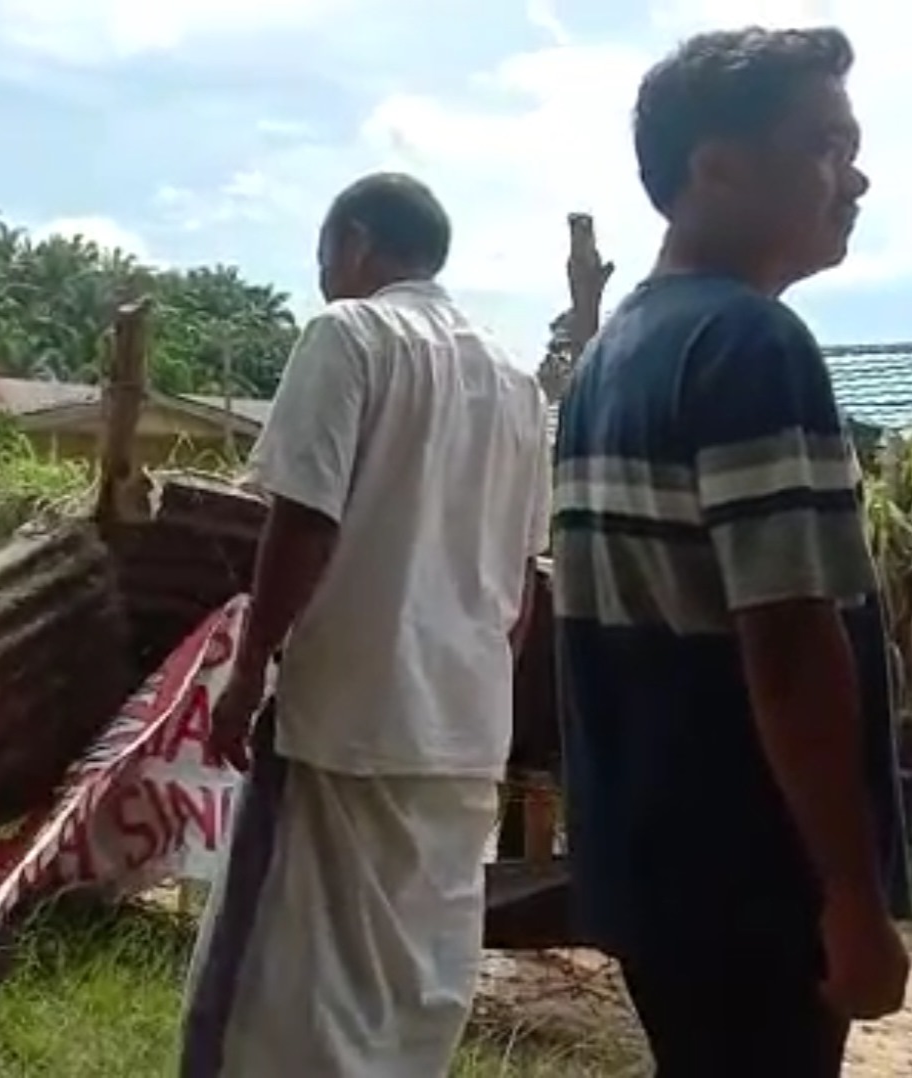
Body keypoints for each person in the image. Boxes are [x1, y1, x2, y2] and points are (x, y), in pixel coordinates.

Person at [553, 26, 910, 1077]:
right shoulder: (750, 344)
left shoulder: (613, 355)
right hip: (752, 880)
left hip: (653, 872)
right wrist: (849, 893)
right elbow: (790, 639)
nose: (855, 176)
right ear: (716, 165)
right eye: (824, 145)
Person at [183, 173, 551, 1076]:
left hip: (345, 726)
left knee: (281, 982)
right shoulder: (516, 385)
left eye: (320, 258)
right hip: (463, 738)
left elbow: (304, 520)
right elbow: (522, 587)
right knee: (412, 986)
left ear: (353, 242)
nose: (322, 278)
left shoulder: (348, 335)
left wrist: (249, 670)